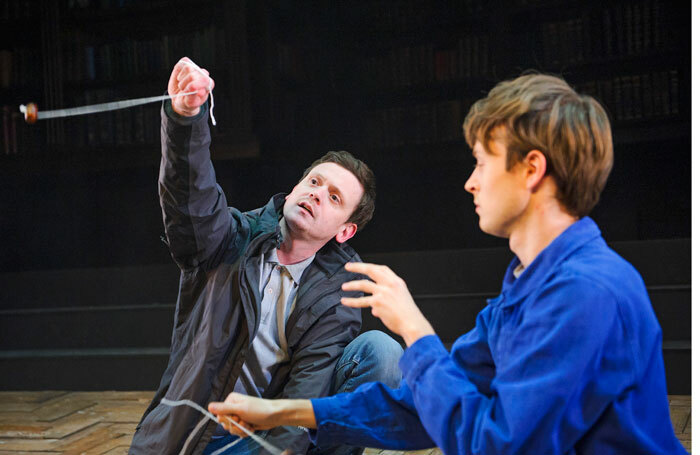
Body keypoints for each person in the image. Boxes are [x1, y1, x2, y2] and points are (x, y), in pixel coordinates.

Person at [207, 74, 688, 455]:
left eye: (482, 162)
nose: (470, 183)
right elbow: (421, 409)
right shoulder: (527, 285)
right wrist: (284, 412)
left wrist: (414, 328)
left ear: (532, 169)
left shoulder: (587, 292)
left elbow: (497, 445)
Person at [129, 58, 403, 455]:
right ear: (293, 189)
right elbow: (191, 203)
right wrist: (185, 118)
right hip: (199, 438)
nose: (316, 194)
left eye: (334, 197)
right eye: (314, 182)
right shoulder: (231, 237)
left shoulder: (337, 291)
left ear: (345, 231)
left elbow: (308, 390)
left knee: (381, 354)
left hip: (268, 440)